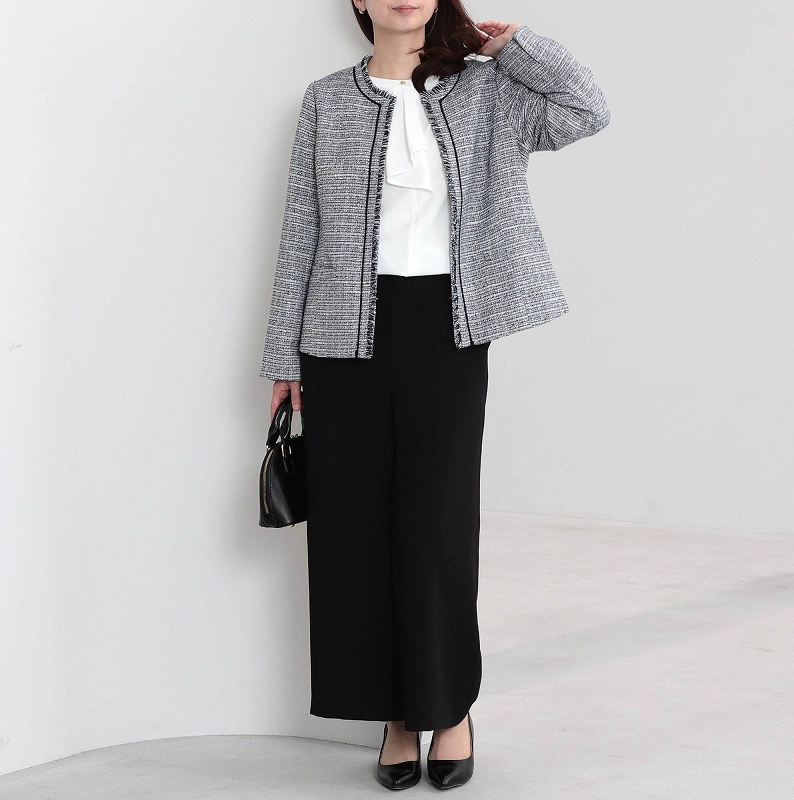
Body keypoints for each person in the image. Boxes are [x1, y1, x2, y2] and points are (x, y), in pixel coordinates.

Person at [259, 0, 610, 790]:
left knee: (437, 523)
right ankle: (393, 714)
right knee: (355, 530)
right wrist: (284, 352)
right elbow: (301, 228)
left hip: (447, 326)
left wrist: (516, 46)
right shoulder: (325, 100)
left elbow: (587, 108)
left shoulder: (487, 91)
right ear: (357, 1)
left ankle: (447, 709)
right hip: (341, 335)